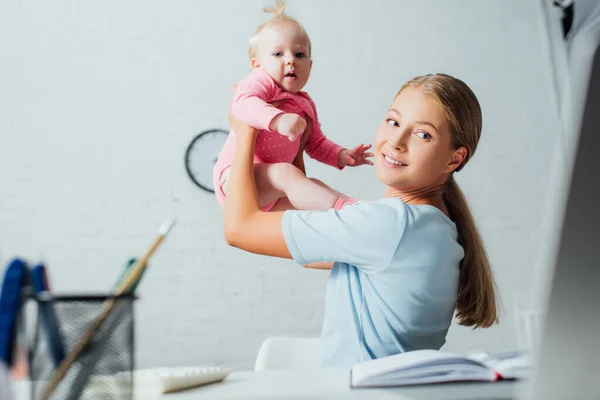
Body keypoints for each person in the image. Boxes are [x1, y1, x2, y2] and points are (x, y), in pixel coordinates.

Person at [223, 73, 500, 366]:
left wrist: (246, 130)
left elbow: (240, 228)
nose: (396, 141)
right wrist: (295, 151)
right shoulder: (433, 227)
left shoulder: (387, 225)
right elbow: (306, 222)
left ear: (454, 160)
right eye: (393, 122)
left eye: (423, 134)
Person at [213, 0, 372, 212]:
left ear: (310, 66)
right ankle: (344, 209)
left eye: (299, 54)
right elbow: (242, 104)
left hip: (272, 190)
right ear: (257, 65)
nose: (291, 61)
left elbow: (316, 143)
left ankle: (356, 209)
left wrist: (341, 155)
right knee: (288, 174)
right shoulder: (262, 83)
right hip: (235, 178)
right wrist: (278, 119)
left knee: (312, 186)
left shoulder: (305, 104)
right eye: (278, 54)